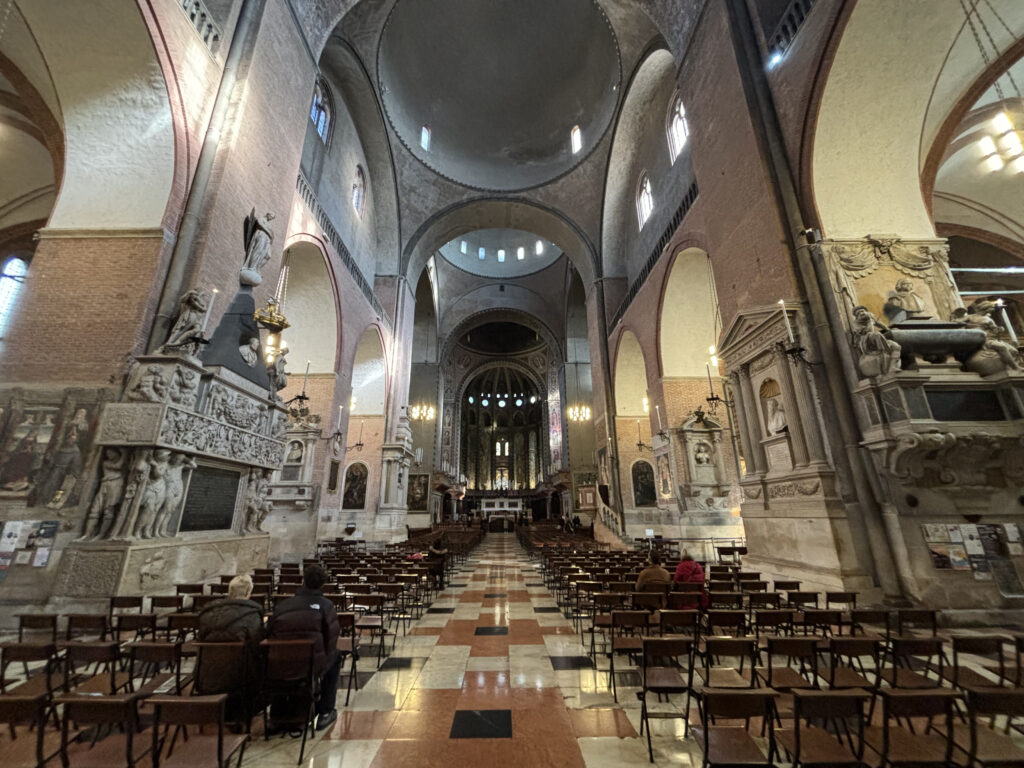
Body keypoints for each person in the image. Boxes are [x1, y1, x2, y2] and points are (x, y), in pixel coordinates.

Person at [265, 565, 340, 731]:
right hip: (311, 664)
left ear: (302, 581)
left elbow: (268, 633)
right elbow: (332, 639)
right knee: (336, 656)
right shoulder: (326, 606)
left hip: (280, 663)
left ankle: (277, 713)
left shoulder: (283, 606)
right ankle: (326, 710)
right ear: (323, 584)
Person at [196, 574, 266, 722]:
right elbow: (257, 647)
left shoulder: (207, 614)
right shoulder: (252, 615)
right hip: (241, 678)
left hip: (207, 678)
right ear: (248, 593)